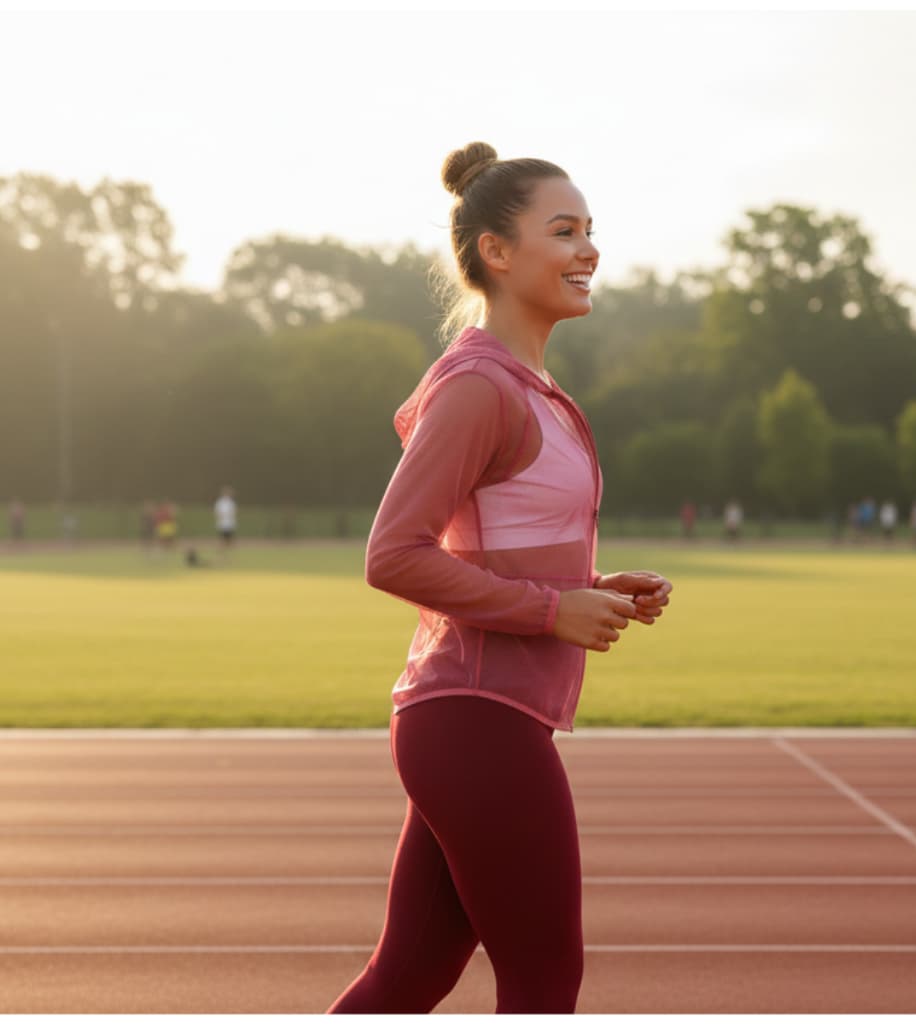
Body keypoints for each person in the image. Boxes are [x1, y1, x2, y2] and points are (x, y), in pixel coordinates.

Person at [324, 142, 672, 1015]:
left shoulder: (531, 387)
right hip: (475, 724)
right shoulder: (480, 387)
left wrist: (595, 584)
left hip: (480, 723)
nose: (588, 249)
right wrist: (555, 611)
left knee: (407, 979)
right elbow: (393, 554)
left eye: (592, 231)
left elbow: (494, 542)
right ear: (497, 252)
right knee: (544, 980)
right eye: (564, 231)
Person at [214, 486, 237, 556]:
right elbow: (217, 512)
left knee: (230, 540)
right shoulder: (219, 502)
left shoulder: (231, 502)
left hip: (230, 523)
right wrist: (222, 517)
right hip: (222, 524)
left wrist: (229, 516)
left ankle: (230, 555)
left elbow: (233, 512)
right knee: (222, 540)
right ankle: (222, 554)